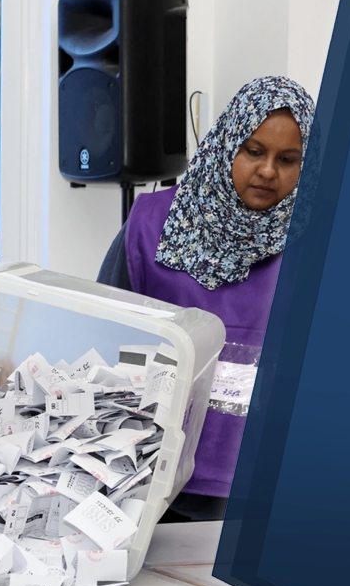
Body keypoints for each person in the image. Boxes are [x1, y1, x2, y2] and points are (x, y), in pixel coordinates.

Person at [97, 76, 315, 521]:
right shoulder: (151, 225)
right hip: (153, 478)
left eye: (288, 159)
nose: (268, 171)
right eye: (253, 151)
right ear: (226, 143)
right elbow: (103, 339)